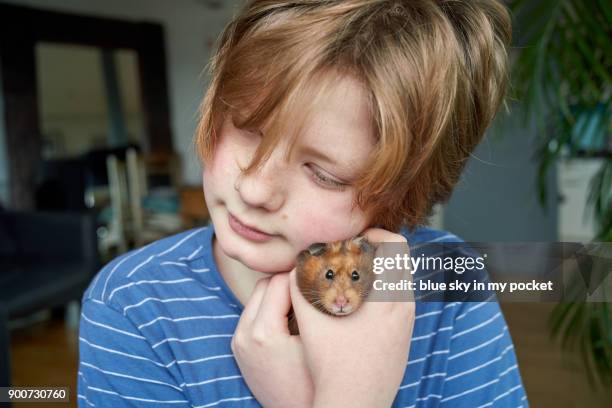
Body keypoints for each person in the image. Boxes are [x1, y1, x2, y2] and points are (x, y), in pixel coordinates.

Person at [77, 0, 529, 406]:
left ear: (404, 196)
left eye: (324, 175)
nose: (254, 190)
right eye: (246, 130)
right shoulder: (133, 306)